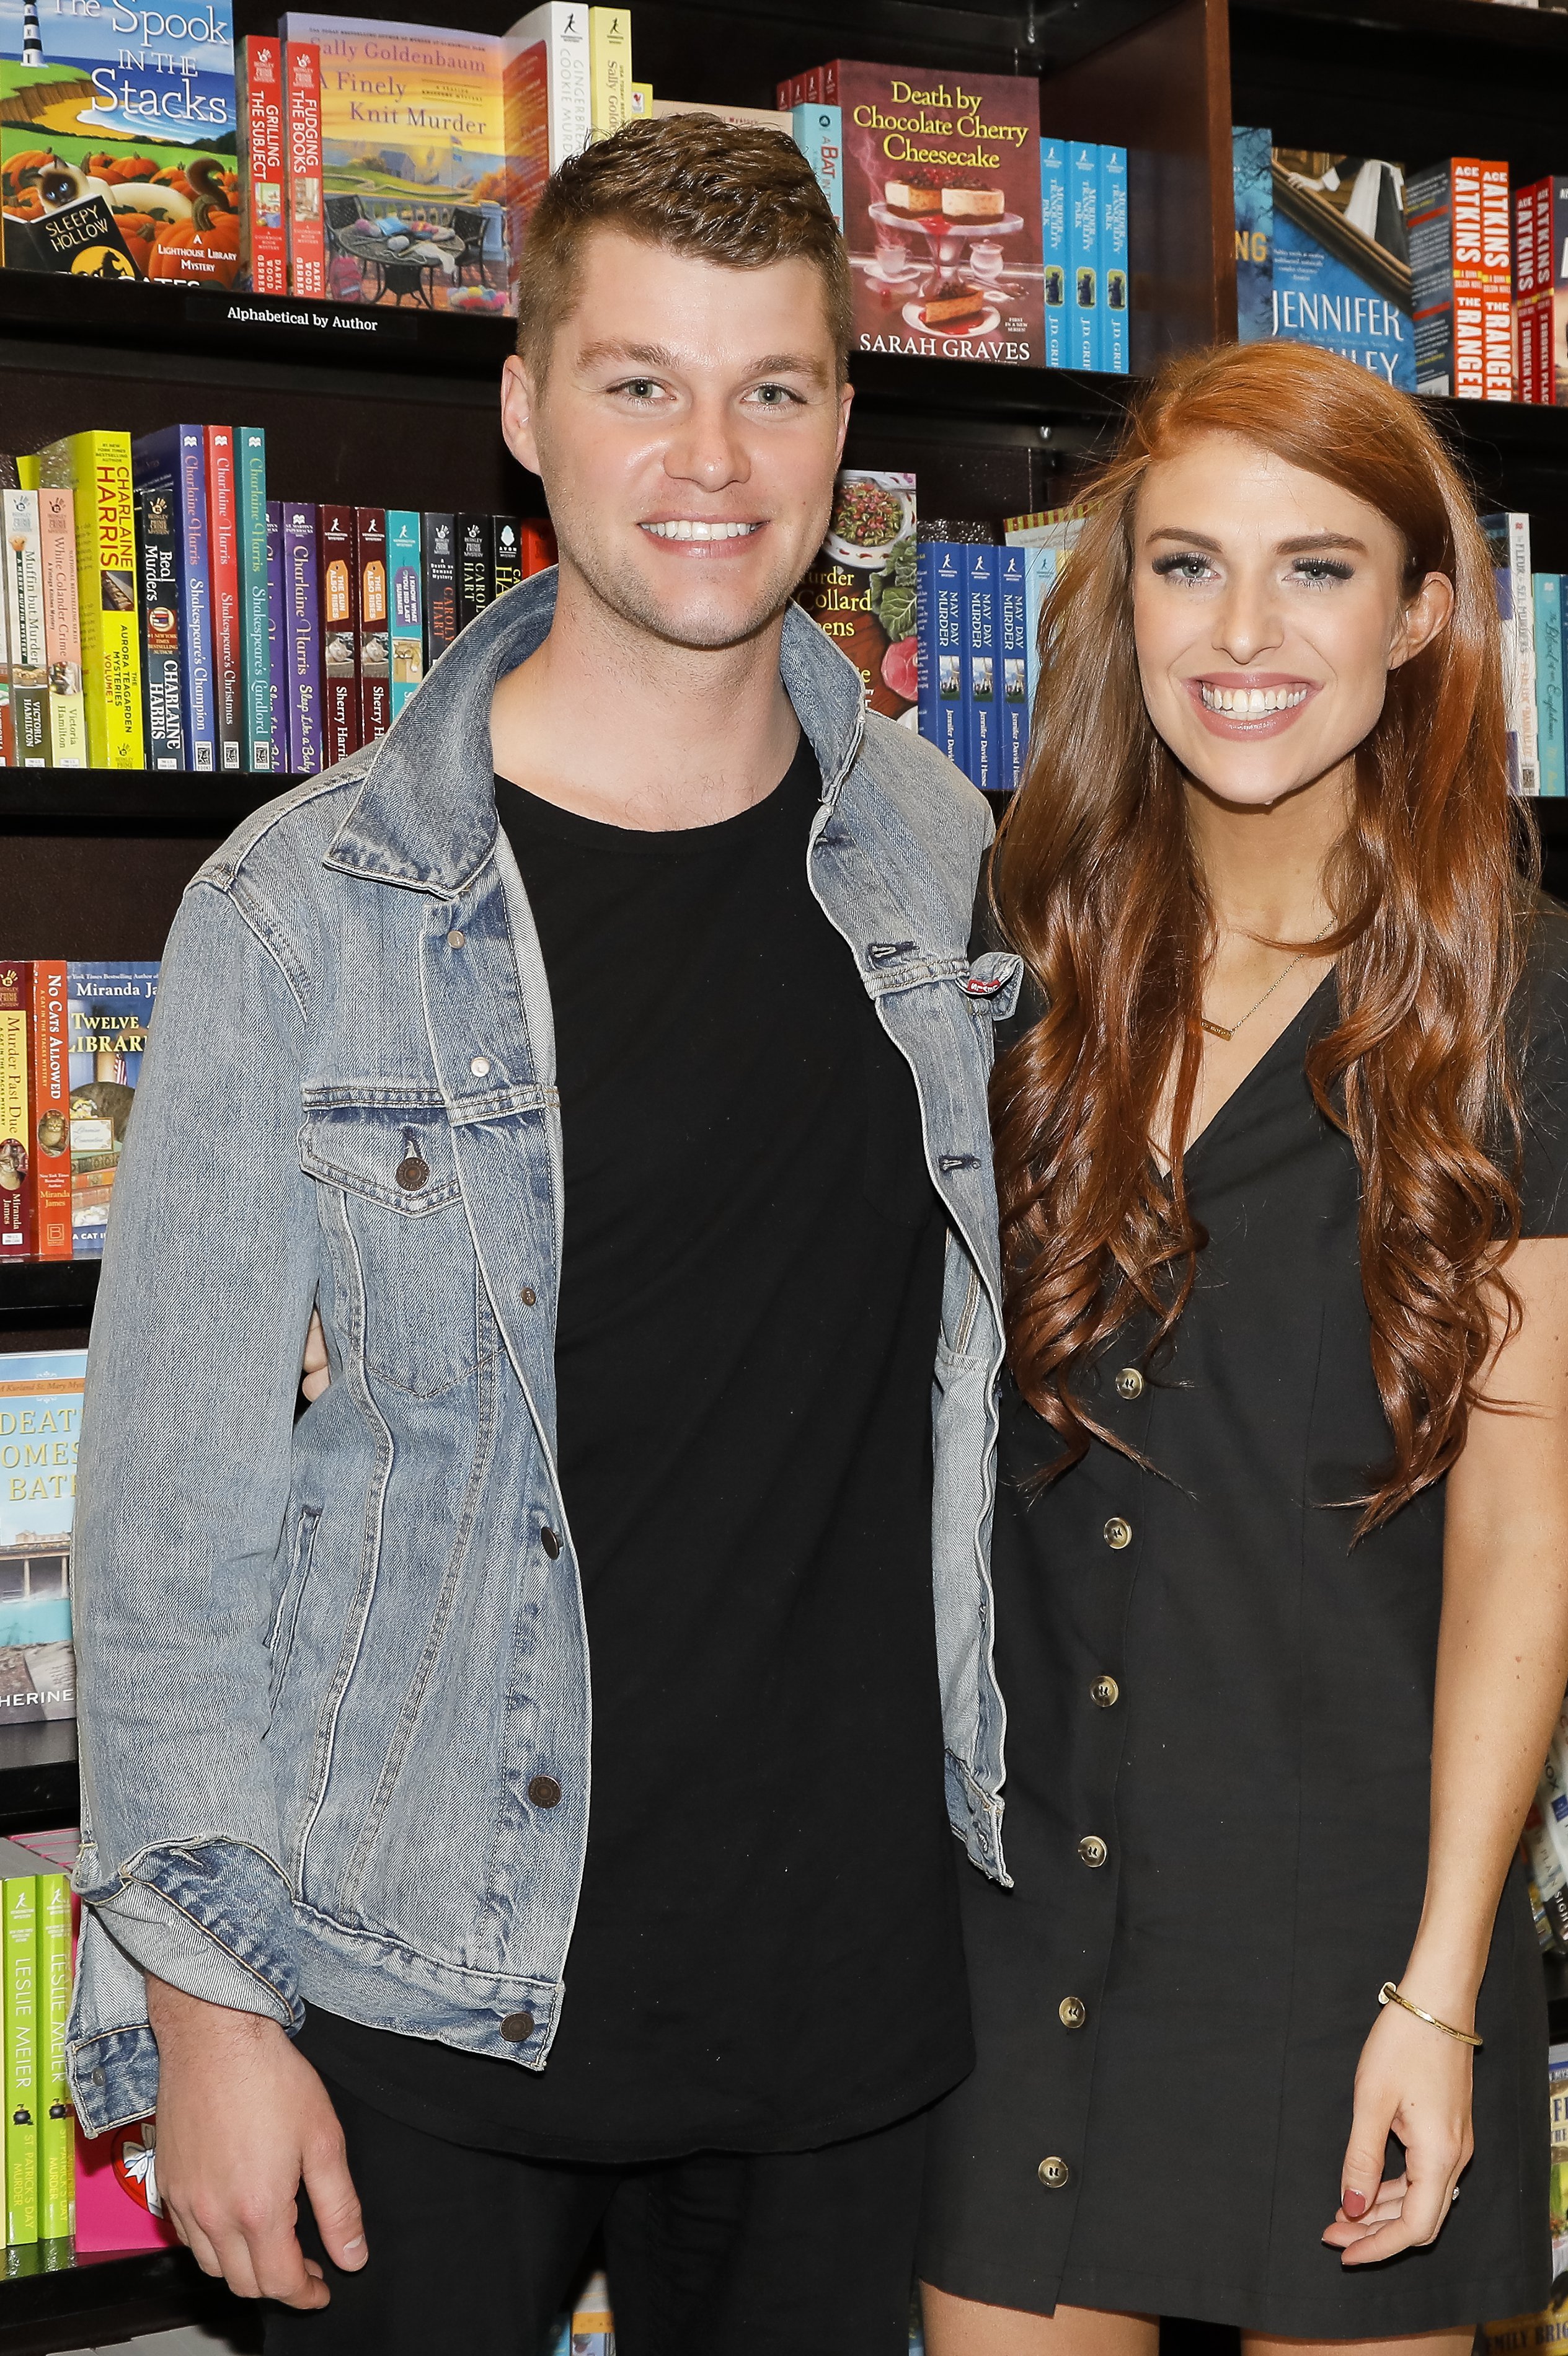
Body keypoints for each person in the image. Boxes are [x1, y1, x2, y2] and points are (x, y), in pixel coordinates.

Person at [66, 116, 1020, 2353]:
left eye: (772, 388)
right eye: (638, 382)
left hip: (846, 1992)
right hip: (414, 1984)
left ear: (844, 427)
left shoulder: (943, 853)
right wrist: (203, 2013)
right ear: (522, 411)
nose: (711, 456)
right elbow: (169, 1526)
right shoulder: (299, 911)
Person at [916, 340, 1568, 2352]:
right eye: (1184, 567)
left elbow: (1513, 1532)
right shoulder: (1007, 941)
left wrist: (1435, 1990)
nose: (1241, 635)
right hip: (1013, 1910)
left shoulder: (1522, 992)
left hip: (1340, 1936)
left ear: (1418, 617)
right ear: (1116, 601)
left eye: (1316, 570)